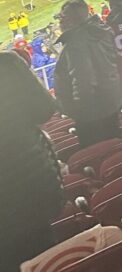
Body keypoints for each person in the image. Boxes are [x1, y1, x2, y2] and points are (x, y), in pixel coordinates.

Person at [0, 51, 64, 272]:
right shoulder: (8, 64)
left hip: (27, 189)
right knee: (45, 256)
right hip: (35, 190)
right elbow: (45, 109)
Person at [52, 0, 121, 146]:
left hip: (92, 112)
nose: (60, 22)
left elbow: (83, 79)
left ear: (72, 20)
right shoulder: (101, 31)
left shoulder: (77, 43)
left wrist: (80, 111)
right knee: (114, 144)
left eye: (63, 17)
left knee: (97, 152)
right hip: (110, 100)